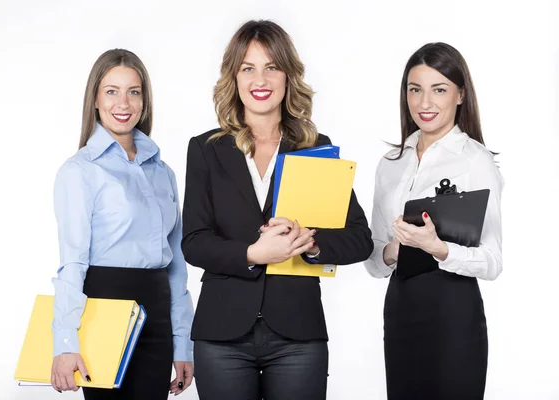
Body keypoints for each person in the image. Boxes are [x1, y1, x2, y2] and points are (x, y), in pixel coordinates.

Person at [181, 20, 374, 400]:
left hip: (298, 337)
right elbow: (194, 242)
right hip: (222, 336)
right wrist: (253, 254)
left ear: (288, 75)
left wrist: (312, 245)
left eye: (272, 67)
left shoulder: (316, 147)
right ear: (234, 78)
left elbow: (359, 239)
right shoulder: (205, 148)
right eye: (248, 68)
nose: (261, 79)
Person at [50, 49, 194, 399]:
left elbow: (176, 267)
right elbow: (73, 262)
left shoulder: (163, 173)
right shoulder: (80, 170)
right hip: (104, 309)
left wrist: (183, 342)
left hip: (157, 314)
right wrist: (65, 340)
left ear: (145, 100)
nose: (123, 102)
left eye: (134, 91)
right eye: (111, 91)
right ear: (95, 99)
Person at [365, 42, 503, 399]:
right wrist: (393, 251)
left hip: (453, 312)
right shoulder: (391, 163)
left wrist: (438, 249)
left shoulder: (475, 160)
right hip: (400, 309)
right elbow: (374, 259)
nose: (424, 103)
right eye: (415, 89)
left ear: (460, 95)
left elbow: (492, 261)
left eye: (438, 90)